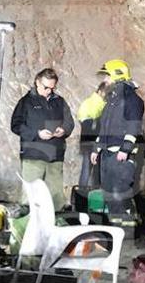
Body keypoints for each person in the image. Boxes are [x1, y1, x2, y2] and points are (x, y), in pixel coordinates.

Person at [90, 59, 144, 229]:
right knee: (109, 193)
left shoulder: (132, 100)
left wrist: (125, 149)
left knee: (119, 193)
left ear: (118, 77)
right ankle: (118, 228)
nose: (105, 80)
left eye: (107, 76)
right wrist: (96, 148)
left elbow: (133, 126)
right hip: (107, 154)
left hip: (120, 155)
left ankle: (127, 230)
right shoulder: (111, 100)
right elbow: (104, 128)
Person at [11, 68, 74, 211]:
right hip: (33, 156)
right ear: (37, 83)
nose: (49, 91)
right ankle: (26, 223)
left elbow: (69, 122)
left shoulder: (60, 101)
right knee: (30, 195)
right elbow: (15, 125)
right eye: (46, 87)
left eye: (53, 88)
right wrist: (37, 134)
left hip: (55, 156)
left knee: (56, 196)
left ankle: (55, 223)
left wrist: (63, 129)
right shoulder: (25, 102)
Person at [77, 82, 107, 187]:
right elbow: (97, 124)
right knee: (94, 172)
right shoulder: (98, 104)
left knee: (87, 170)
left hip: (87, 141)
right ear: (100, 91)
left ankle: (81, 195)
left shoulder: (87, 102)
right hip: (94, 141)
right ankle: (90, 196)